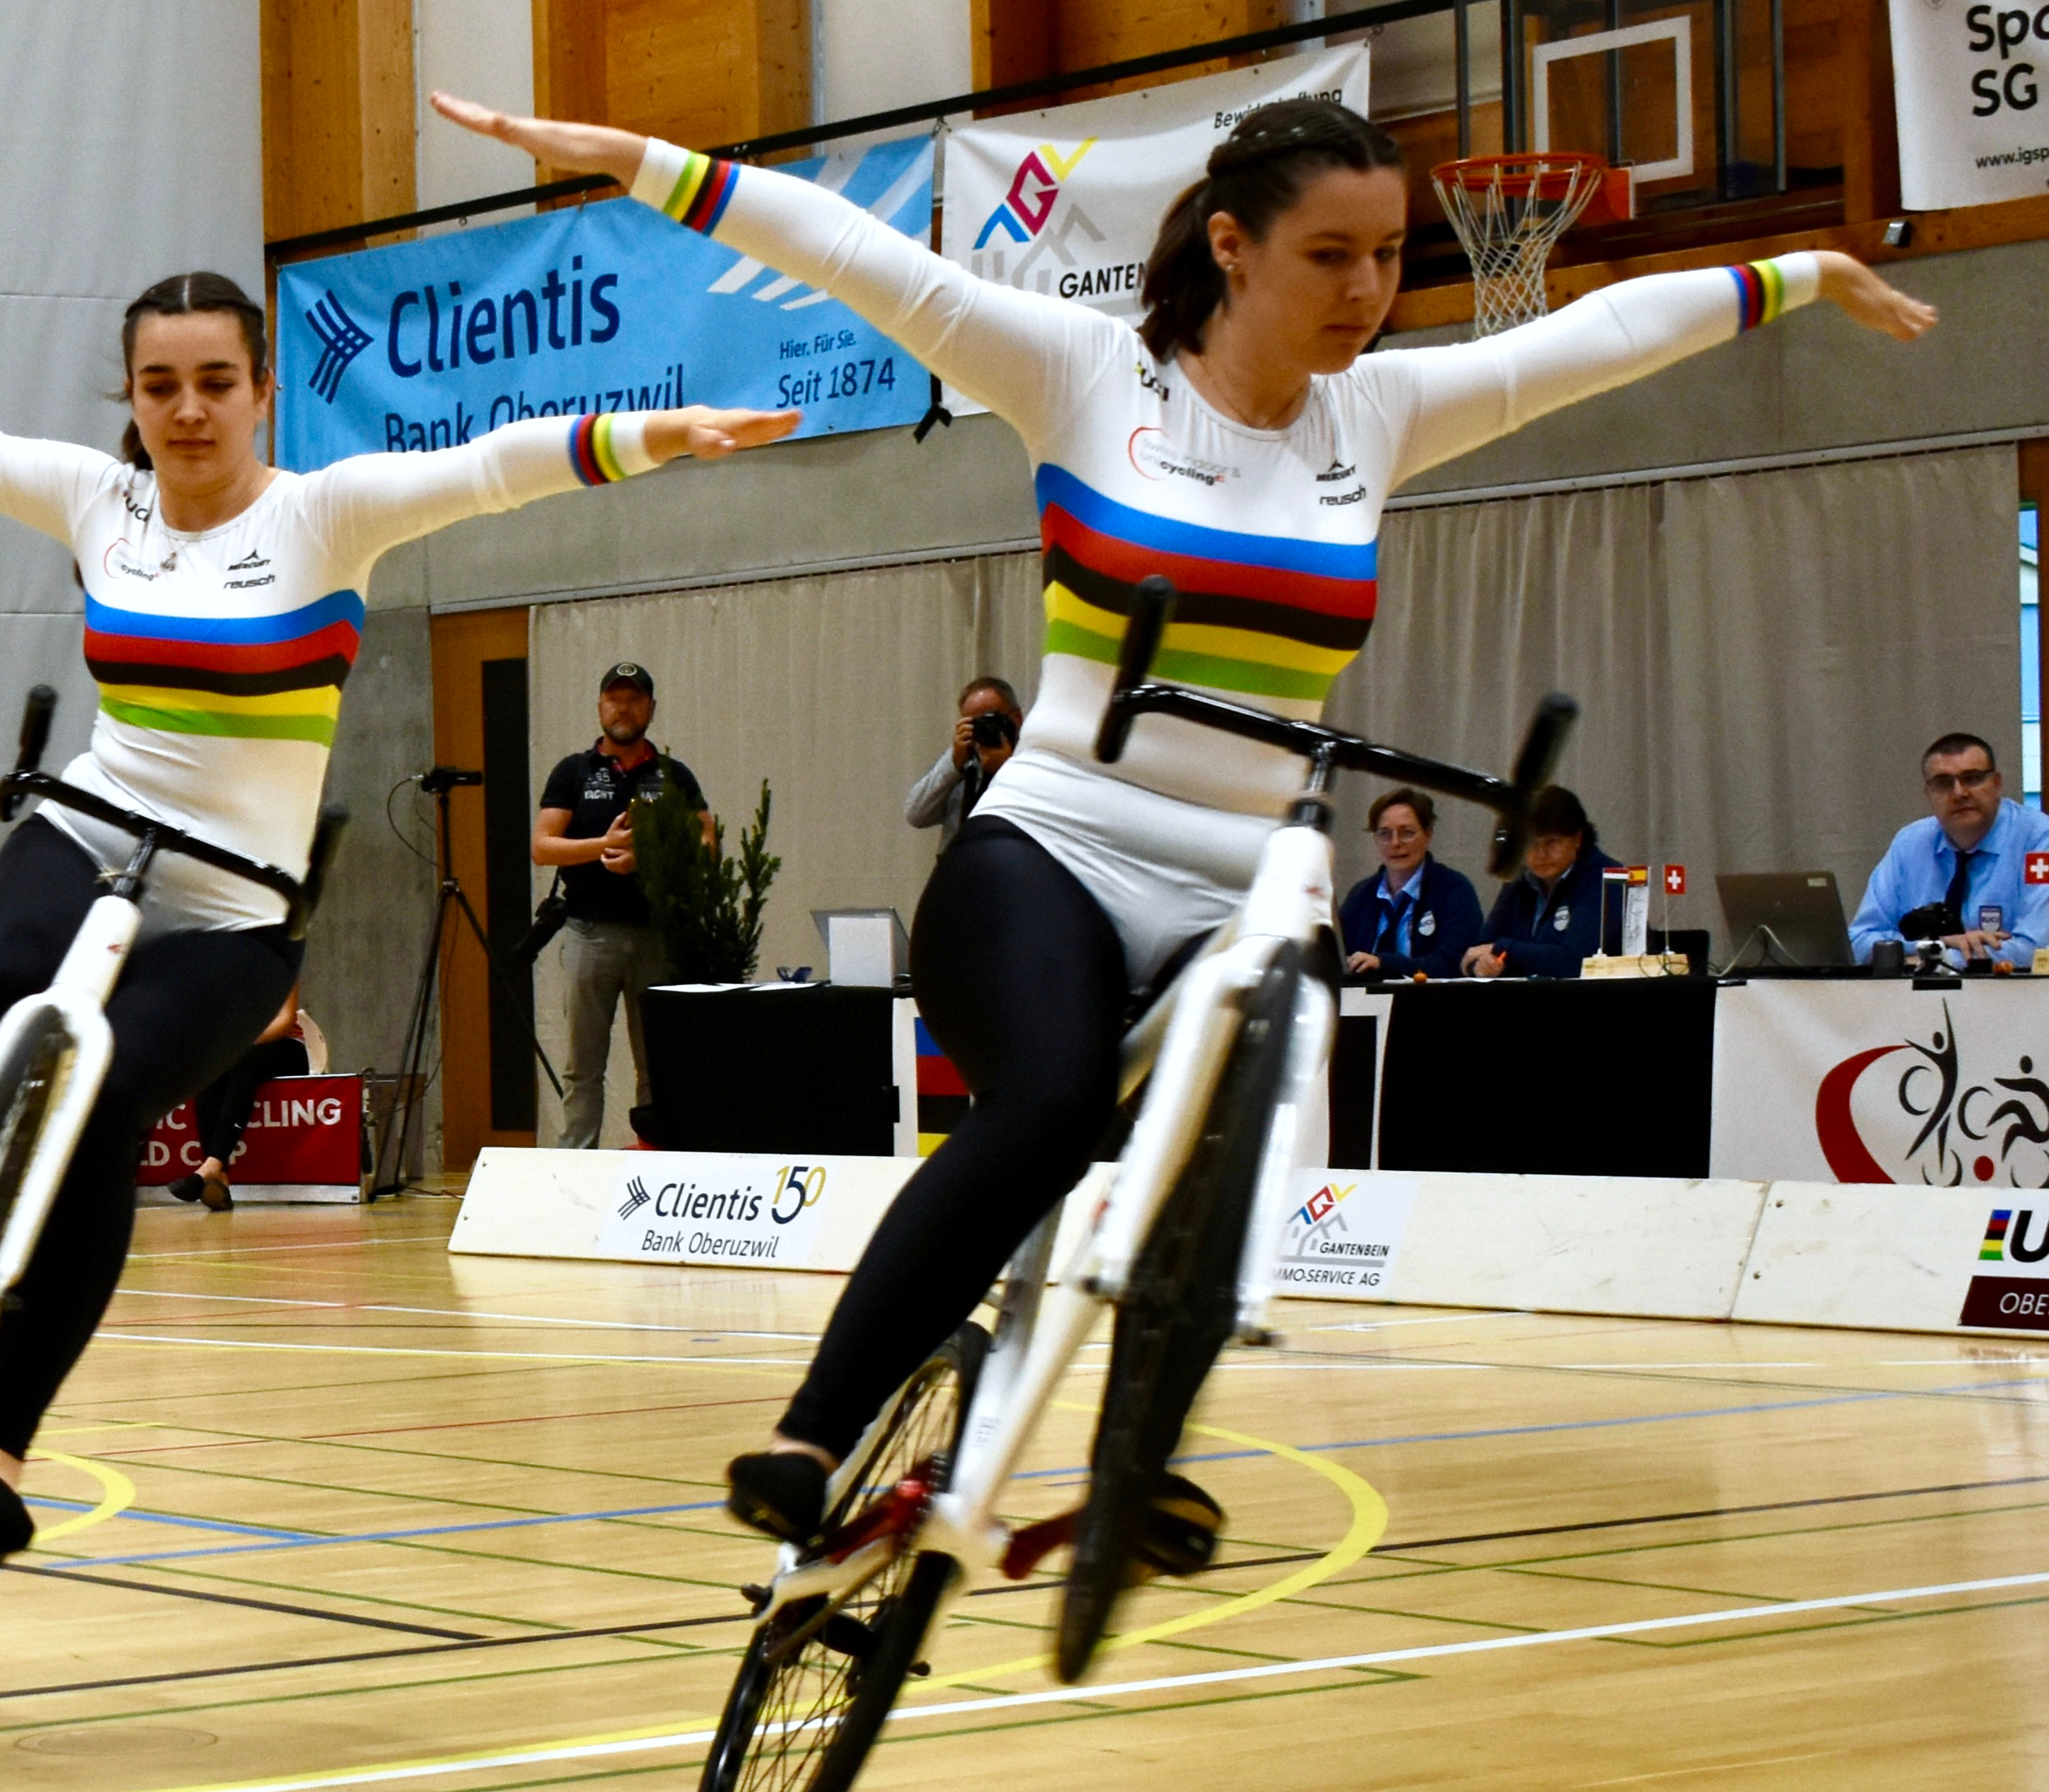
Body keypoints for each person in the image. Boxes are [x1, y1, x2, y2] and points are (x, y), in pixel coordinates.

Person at [431, 83, 1936, 1580]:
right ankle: (811, 1433)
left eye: (1384, 257)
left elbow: (1592, 343)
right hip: (1054, 850)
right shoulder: (1088, 375)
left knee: (1256, 1108)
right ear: (1228, 244)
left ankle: (1131, 1463)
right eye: (1327, 255)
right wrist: (636, 158)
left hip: (1242, 879)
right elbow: (857, 258)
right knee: (1040, 1105)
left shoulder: (1381, 413)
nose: (1365, 290)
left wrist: (1796, 273)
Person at [0, 270, 798, 1561]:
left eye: (213, 383)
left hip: (236, 906)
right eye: (157, 386)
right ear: (128, 397)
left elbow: (495, 466)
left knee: (97, 1113)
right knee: (6, 992)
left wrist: (662, 433)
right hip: (89, 825)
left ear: (260, 391)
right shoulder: (101, 499)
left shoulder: (324, 515)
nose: (185, 410)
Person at [534, 663, 707, 1147]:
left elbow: (708, 843)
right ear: (599, 707)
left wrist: (645, 856)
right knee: (582, 1064)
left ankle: (659, 1154)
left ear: (651, 708)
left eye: (633, 699)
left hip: (656, 933)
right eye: (614, 698)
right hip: (589, 932)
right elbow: (543, 846)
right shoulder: (574, 771)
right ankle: (577, 1162)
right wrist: (602, 847)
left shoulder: (671, 774)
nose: (623, 708)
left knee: (656, 1061)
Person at [1848, 732, 2049, 973]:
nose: (1959, 793)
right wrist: (1934, 945)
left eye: (1972, 778)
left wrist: (1941, 961)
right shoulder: (1910, 843)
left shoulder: (2038, 839)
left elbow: (2037, 950)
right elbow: (1859, 941)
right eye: (1943, 783)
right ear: (1928, 794)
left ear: (1997, 784)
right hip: (1918, 1004)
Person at [172, 984, 325, 1209]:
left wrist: (239, 1039)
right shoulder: (227, 972)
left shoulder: (281, 964)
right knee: (211, 1068)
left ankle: (212, 1166)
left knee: (244, 1060)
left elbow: (283, 1024)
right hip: (243, 1048)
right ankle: (217, 1177)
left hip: (285, 1049)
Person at [1464, 787, 1610, 978]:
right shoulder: (1519, 881)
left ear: (1578, 839)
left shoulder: (1605, 879)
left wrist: (1503, 948)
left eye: (1552, 842)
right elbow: (1476, 952)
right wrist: (1480, 966)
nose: (1541, 854)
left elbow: (1575, 962)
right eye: (1531, 843)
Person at [1341, 786, 1482, 979]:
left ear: (1428, 834)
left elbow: (1455, 962)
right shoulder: (1361, 895)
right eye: (1385, 834)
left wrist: (1384, 963)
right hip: (1365, 1004)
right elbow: (1339, 959)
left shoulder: (1454, 890)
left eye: (1407, 832)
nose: (1395, 843)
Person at [901, 675, 1023, 851]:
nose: (984, 727)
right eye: (974, 722)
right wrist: (953, 765)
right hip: (960, 870)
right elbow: (916, 814)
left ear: (1017, 717)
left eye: (991, 718)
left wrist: (1008, 770)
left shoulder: (1035, 759)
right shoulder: (963, 760)